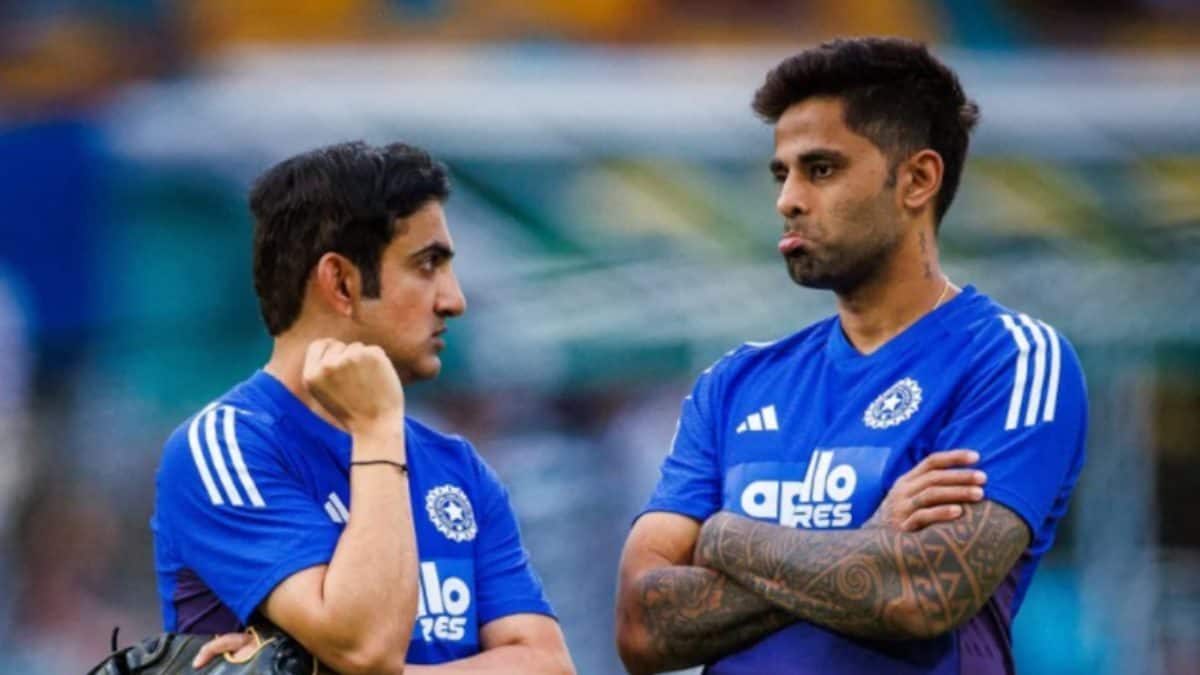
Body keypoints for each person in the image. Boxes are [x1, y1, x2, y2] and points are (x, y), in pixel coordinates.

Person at [615, 37, 1087, 674]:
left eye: (821, 169)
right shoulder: (734, 383)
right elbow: (642, 628)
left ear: (917, 180)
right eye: (782, 174)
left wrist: (726, 536)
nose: (788, 200)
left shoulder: (1011, 361)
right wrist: (867, 541)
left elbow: (922, 592)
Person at [151, 141, 575, 675]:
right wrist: (376, 433)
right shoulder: (224, 448)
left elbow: (548, 664)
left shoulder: (457, 468)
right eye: (427, 265)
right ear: (342, 283)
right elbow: (365, 647)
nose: (454, 300)